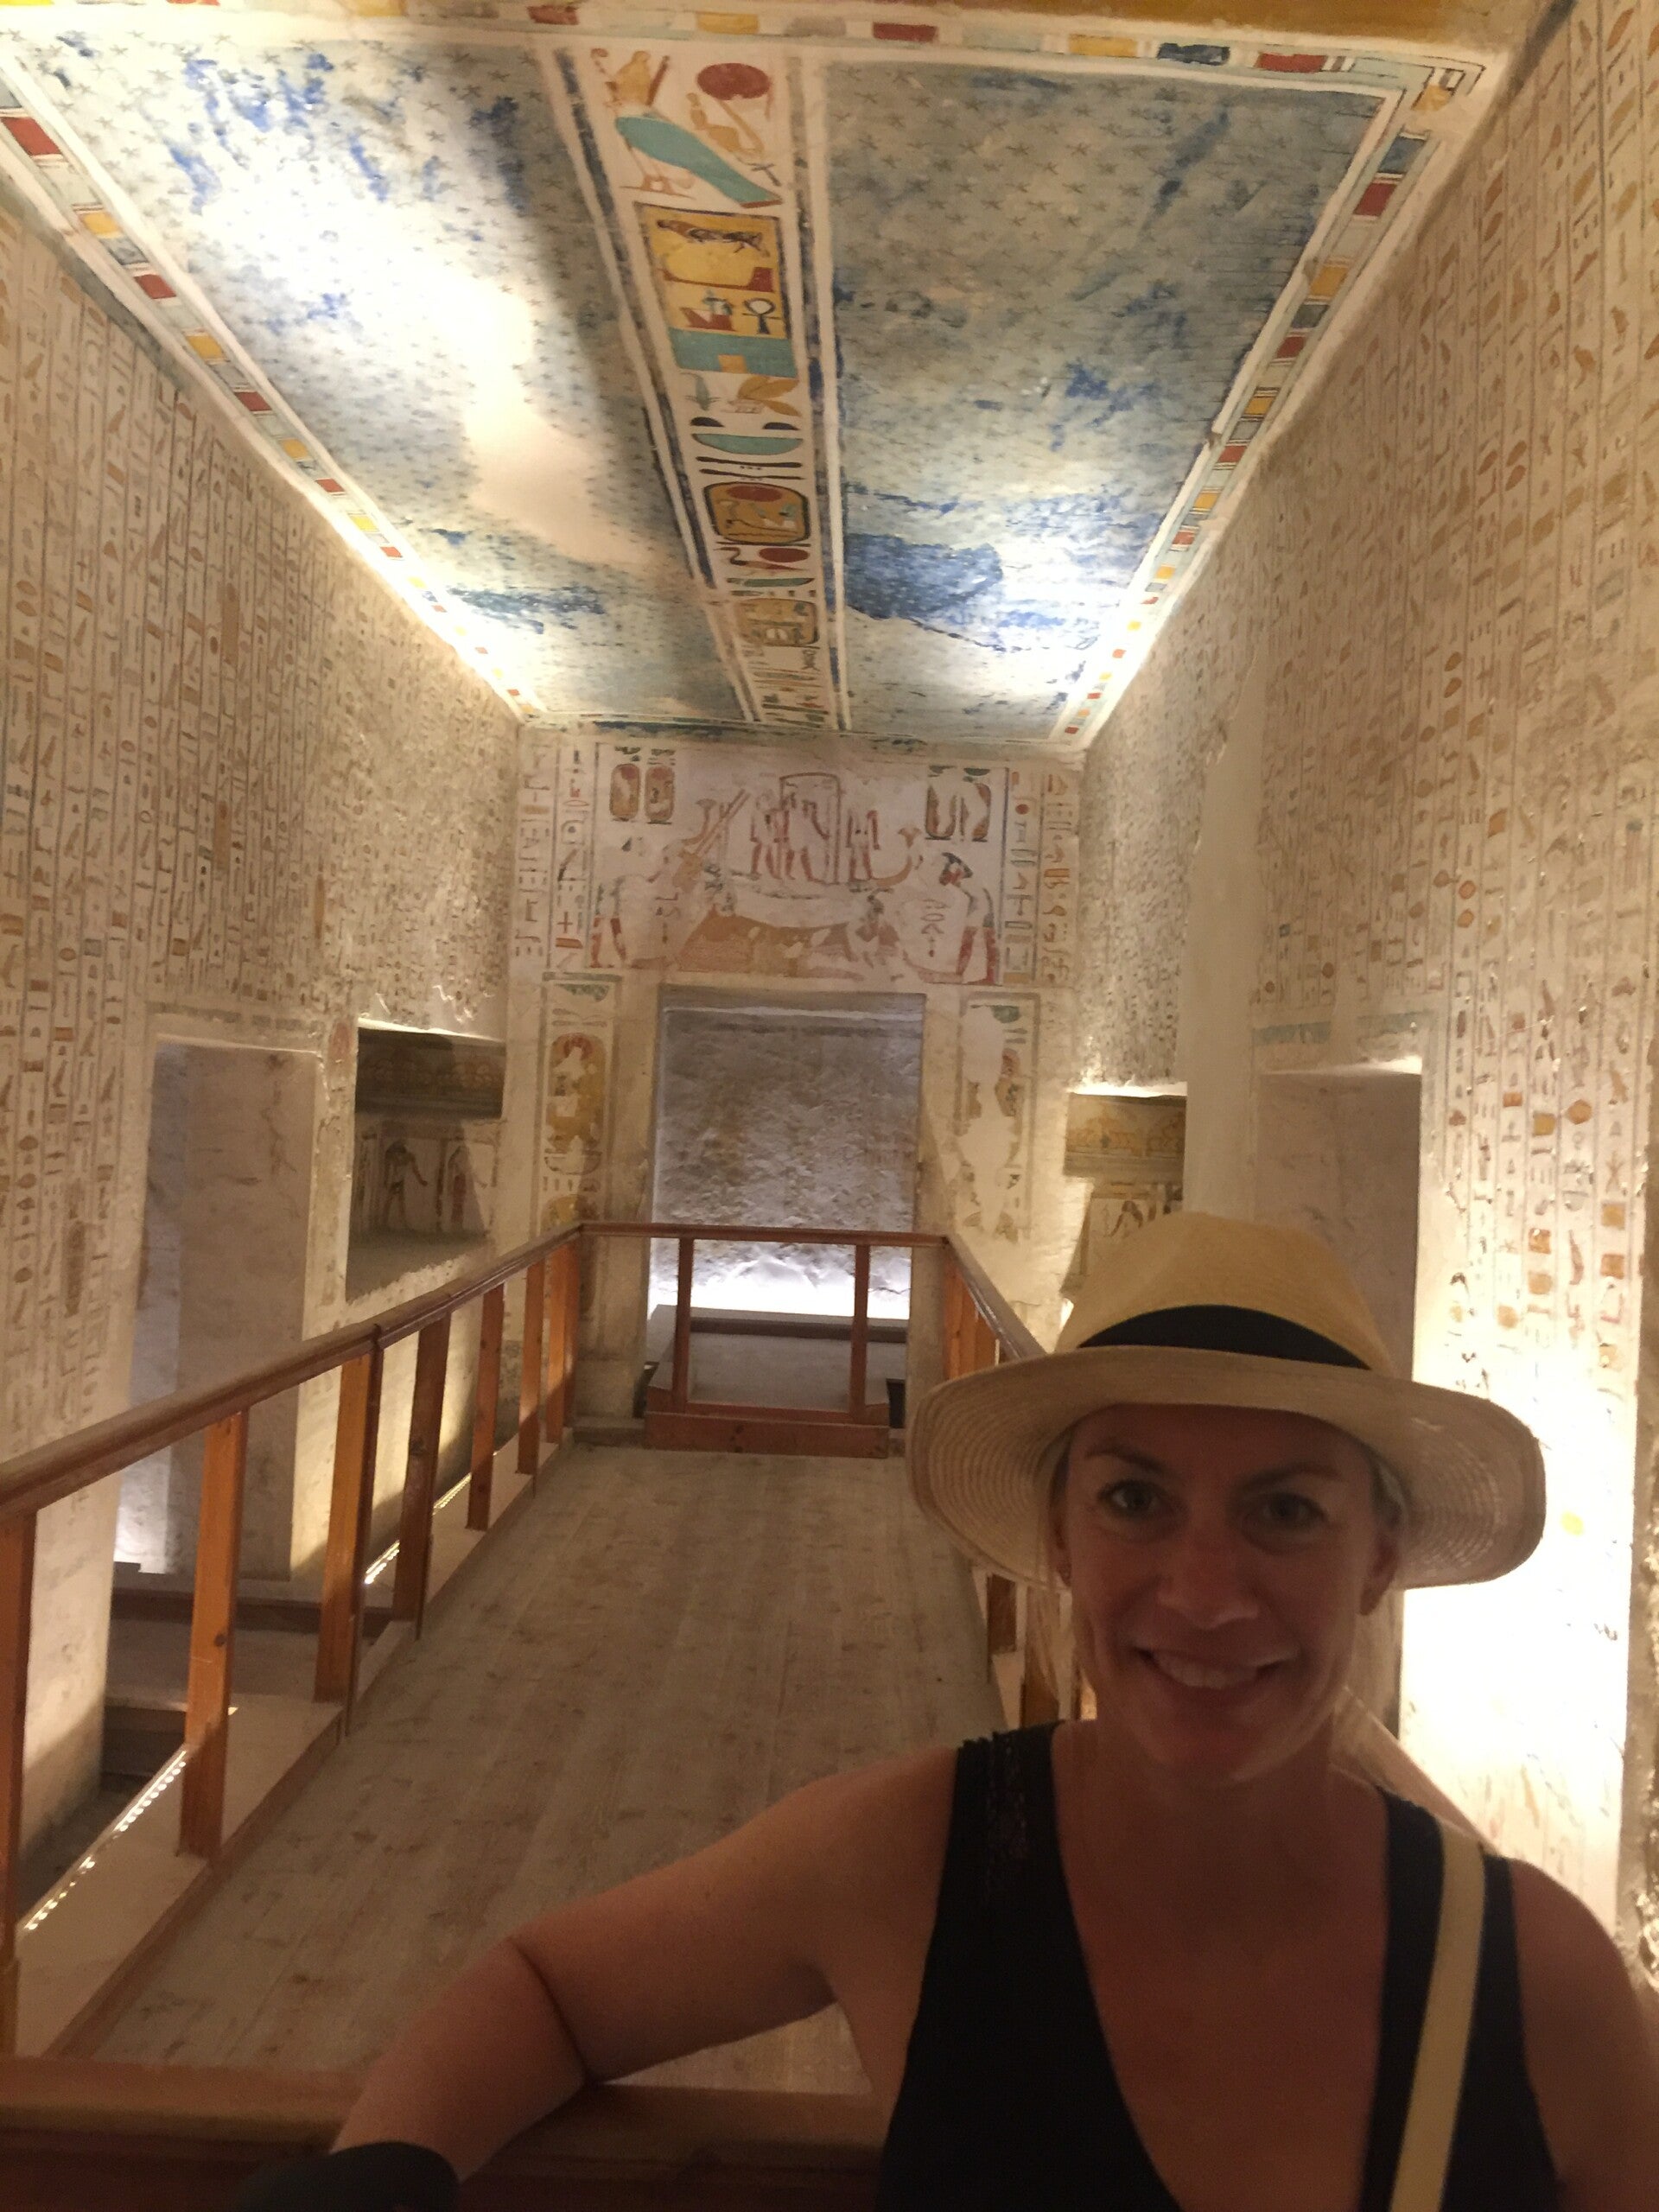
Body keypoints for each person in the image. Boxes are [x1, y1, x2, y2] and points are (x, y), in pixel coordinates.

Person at [235, 1213, 1659, 2209]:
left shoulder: (1542, 1985)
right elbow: (552, 1990)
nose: (1204, 1592)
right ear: (1060, 1535)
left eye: (1285, 1511)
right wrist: (381, 2173)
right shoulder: (915, 1860)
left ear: (1380, 1557)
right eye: (1135, 1499)